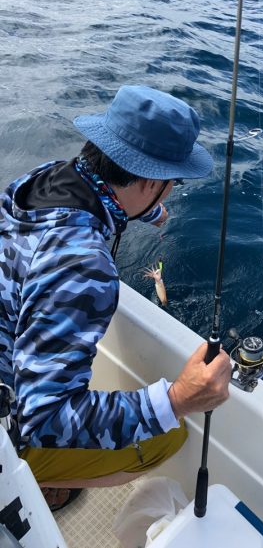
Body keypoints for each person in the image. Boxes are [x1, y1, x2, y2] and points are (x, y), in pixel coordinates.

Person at [0, 85, 232, 511]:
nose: (171, 193)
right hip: (12, 418)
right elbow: (44, 418)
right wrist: (178, 398)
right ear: (149, 180)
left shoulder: (46, 178)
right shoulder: (84, 265)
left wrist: (147, 207)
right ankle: (30, 477)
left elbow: (112, 199)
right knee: (169, 433)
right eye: (171, 183)